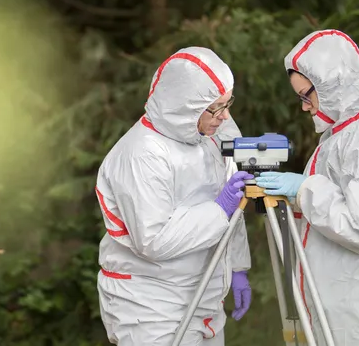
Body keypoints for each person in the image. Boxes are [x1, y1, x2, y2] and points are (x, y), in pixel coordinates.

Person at [256, 29, 359, 345]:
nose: (304, 106)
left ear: (332, 85)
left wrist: (305, 191)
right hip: (348, 311)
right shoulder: (344, 133)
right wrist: (298, 197)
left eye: (307, 95)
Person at [95, 46, 254, 346]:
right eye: (217, 108)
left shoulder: (208, 135)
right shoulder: (142, 154)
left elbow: (232, 203)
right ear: (185, 107)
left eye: (227, 103)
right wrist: (220, 209)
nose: (225, 116)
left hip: (203, 297)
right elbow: (154, 240)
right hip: (151, 309)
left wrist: (236, 267)